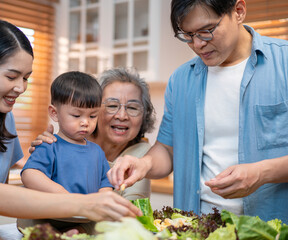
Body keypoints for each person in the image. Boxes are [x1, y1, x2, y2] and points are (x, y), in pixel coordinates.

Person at [0, 18, 140, 234]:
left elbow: (20, 165)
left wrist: (50, 146)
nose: (21, 88)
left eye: (26, 78)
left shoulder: (3, 118)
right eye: (12, 76)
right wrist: (86, 204)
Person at [108, 0, 288, 223]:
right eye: (188, 35)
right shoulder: (181, 80)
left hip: (271, 227)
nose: (198, 44)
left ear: (239, 11)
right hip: (196, 227)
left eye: (206, 31)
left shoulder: (284, 63)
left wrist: (262, 173)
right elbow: (167, 149)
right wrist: (143, 164)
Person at [29, 67, 156, 201]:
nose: (122, 116)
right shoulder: (56, 143)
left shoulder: (143, 155)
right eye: (112, 105)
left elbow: (131, 208)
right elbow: (32, 175)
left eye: (132, 107)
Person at [21, 71, 113, 194]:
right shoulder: (49, 145)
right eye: (76, 115)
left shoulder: (97, 152)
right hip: (58, 212)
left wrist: (101, 199)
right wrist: (64, 195)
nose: (85, 122)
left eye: (92, 116)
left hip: (88, 212)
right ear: (54, 113)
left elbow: (105, 184)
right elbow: (29, 175)